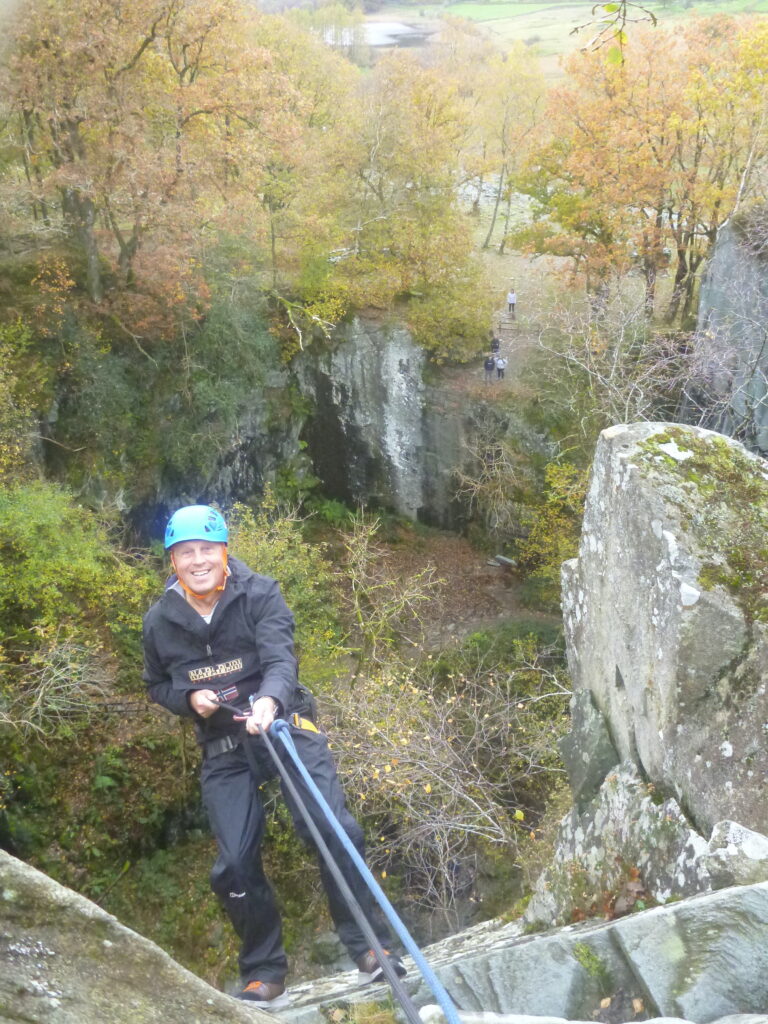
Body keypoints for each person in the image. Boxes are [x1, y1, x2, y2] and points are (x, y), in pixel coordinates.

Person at [143, 505, 405, 1006]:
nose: (198, 560)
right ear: (172, 560)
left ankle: (371, 947)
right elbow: (155, 683)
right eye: (185, 552)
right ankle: (265, 971)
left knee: (334, 829)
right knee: (235, 864)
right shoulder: (160, 621)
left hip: (283, 724)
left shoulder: (259, 592)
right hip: (223, 743)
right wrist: (188, 700)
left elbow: (282, 657)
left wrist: (269, 699)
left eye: (206, 549)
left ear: (225, 551)